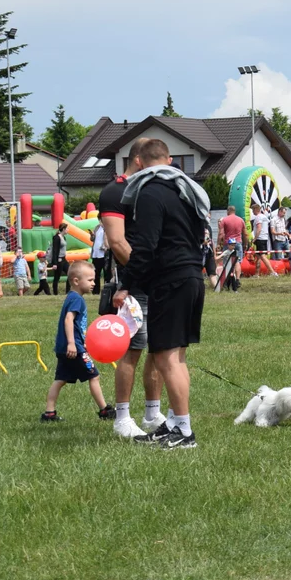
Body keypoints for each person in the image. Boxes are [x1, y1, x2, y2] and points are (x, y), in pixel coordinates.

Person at [116, 138, 210, 449]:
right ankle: (173, 423)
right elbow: (200, 234)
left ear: (139, 163)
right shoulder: (186, 191)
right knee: (176, 357)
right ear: (170, 161)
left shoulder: (149, 193)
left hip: (171, 280)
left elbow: (145, 246)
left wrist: (125, 283)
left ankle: (184, 431)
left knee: (168, 358)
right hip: (191, 276)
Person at [99, 141, 167, 439]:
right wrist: (144, 274)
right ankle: (122, 418)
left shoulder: (151, 191)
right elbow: (117, 242)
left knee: (160, 347)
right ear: (140, 161)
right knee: (132, 349)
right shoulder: (115, 192)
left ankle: (153, 413)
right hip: (135, 285)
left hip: (160, 282)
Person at [41, 260, 116, 422]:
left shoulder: (72, 297)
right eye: (90, 280)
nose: (93, 283)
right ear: (76, 281)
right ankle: (104, 410)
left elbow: (74, 325)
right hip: (73, 348)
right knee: (94, 376)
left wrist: (81, 341)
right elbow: (69, 320)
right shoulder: (77, 299)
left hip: (66, 347)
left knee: (60, 380)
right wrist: (72, 343)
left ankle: (49, 413)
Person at [217, 205, 248, 286]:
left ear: (228, 211)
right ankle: (237, 280)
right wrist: (245, 244)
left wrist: (218, 244)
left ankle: (227, 280)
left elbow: (221, 233)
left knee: (226, 262)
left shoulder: (224, 220)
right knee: (237, 262)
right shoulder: (241, 220)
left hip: (228, 243)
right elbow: (245, 234)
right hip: (238, 243)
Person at [250, 203, 276, 277]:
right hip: (264, 238)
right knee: (258, 257)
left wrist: (254, 239)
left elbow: (259, 228)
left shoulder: (258, 217)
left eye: (253, 210)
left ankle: (272, 272)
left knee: (262, 256)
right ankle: (257, 273)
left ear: (255, 209)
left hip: (260, 239)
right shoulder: (264, 216)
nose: (252, 212)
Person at [50, 223, 70, 294]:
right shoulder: (56, 238)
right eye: (67, 228)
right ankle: (55, 293)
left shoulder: (64, 237)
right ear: (64, 229)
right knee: (57, 277)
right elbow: (55, 251)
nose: (68, 230)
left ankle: (68, 291)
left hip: (64, 259)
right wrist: (55, 263)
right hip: (59, 260)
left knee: (70, 273)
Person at [90, 223, 106, 294]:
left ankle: (106, 290)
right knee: (96, 274)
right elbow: (92, 239)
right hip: (95, 254)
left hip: (103, 254)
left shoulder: (106, 228)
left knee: (106, 274)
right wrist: (92, 235)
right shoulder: (97, 227)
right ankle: (96, 291)